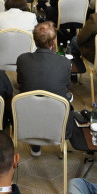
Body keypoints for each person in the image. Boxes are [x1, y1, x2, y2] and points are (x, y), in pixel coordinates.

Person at [16, 21, 73, 151]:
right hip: (56, 119)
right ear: (53, 42)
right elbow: (66, 85)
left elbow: (20, 82)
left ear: (35, 41)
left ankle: (35, 142)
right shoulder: (65, 63)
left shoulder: (22, 59)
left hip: (28, 112)